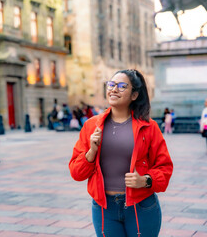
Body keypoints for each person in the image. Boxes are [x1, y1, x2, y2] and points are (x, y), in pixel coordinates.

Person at [69, 69, 173, 237]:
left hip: (141, 207)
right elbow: (76, 173)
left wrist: (145, 180)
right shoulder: (91, 126)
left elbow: (165, 168)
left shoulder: (149, 127)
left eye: (122, 86)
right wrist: (91, 152)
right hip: (104, 208)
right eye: (111, 84)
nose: (114, 89)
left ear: (134, 95)